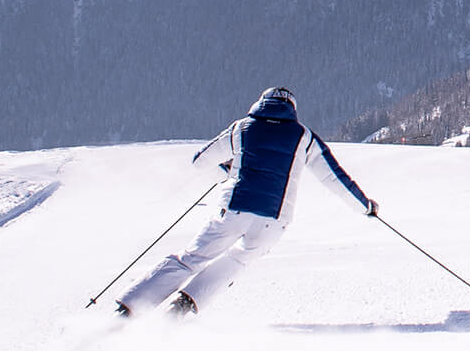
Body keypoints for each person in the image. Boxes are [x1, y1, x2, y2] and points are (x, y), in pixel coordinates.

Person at [116, 86, 377, 318]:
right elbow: (335, 179)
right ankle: (184, 305)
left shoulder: (242, 128)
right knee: (238, 260)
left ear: (260, 103)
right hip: (274, 219)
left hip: (234, 209)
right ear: (292, 108)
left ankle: (131, 308)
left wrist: (228, 170)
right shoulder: (303, 136)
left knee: (192, 258)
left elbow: (200, 161)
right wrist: (365, 206)